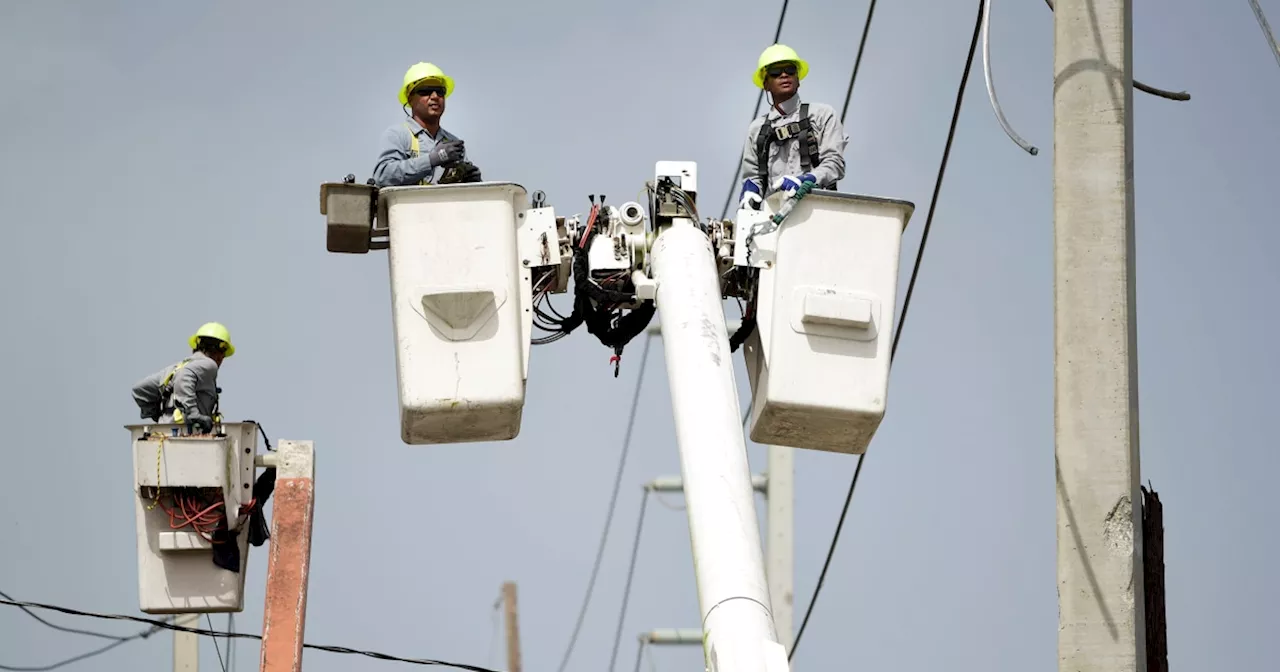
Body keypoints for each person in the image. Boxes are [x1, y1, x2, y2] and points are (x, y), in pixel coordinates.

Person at [737, 44, 849, 210]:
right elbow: (753, 175)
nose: (784, 75)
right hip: (774, 218)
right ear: (765, 84)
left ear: (798, 79)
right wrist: (750, 191)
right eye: (775, 72)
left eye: (790, 70)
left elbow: (835, 163)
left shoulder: (822, 115)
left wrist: (808, 179)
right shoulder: (758, 129)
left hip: (817, 211)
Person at [372, 62, 482, 187]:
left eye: (440, 91)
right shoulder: (398, 135)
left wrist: (471, 181)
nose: (435, 96)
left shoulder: (452, 142)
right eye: (425, 91)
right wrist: (431, 160)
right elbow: (382, 176)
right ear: (410, 98)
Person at [131, 322, 234, 435]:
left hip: (163, 435)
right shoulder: (209, 364)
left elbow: (139, 390)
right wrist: (193, 413)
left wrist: (159, 416)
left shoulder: (175, 369)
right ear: (220, 352)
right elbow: (184, 377)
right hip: (188, 436)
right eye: (223, 353)